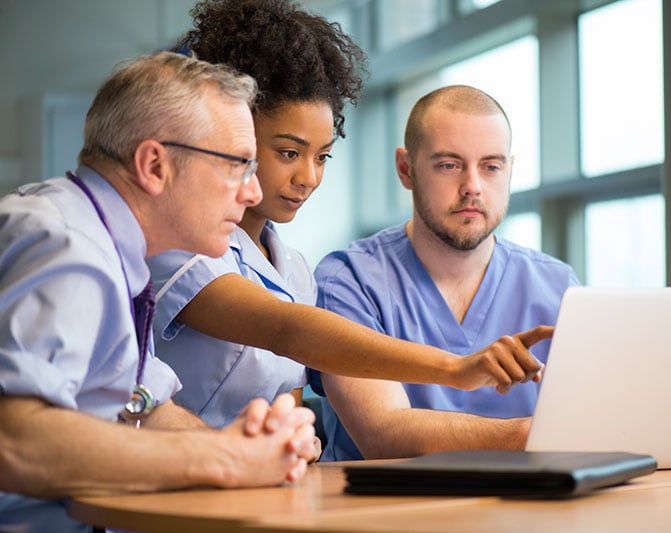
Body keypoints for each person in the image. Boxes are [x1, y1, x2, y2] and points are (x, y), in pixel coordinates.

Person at [147, 0, 551, 453]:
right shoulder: (175, 244)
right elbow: (288, 330)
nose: (309, 177)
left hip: (258, 494)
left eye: (321, 156)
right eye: (288, 153)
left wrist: (294, 443)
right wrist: (454, 368)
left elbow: (289, 412)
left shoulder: (294, 271)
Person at [0, 51, 318, 532]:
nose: (252, 193)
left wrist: (249, 449)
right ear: (154, 165)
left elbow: (140, 405)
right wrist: (228, 460)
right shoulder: (69, 247)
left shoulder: (108, 245)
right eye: (236, 166)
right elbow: (15, 441)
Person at [309, 85, 580, 461]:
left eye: (491, 166)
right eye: (449, 165)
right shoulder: (350, 280)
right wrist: (533, 436)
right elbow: (382, 433)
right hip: (386, 516)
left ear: (510, 171)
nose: (472, 187)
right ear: (406, 169)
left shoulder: (559, 287)